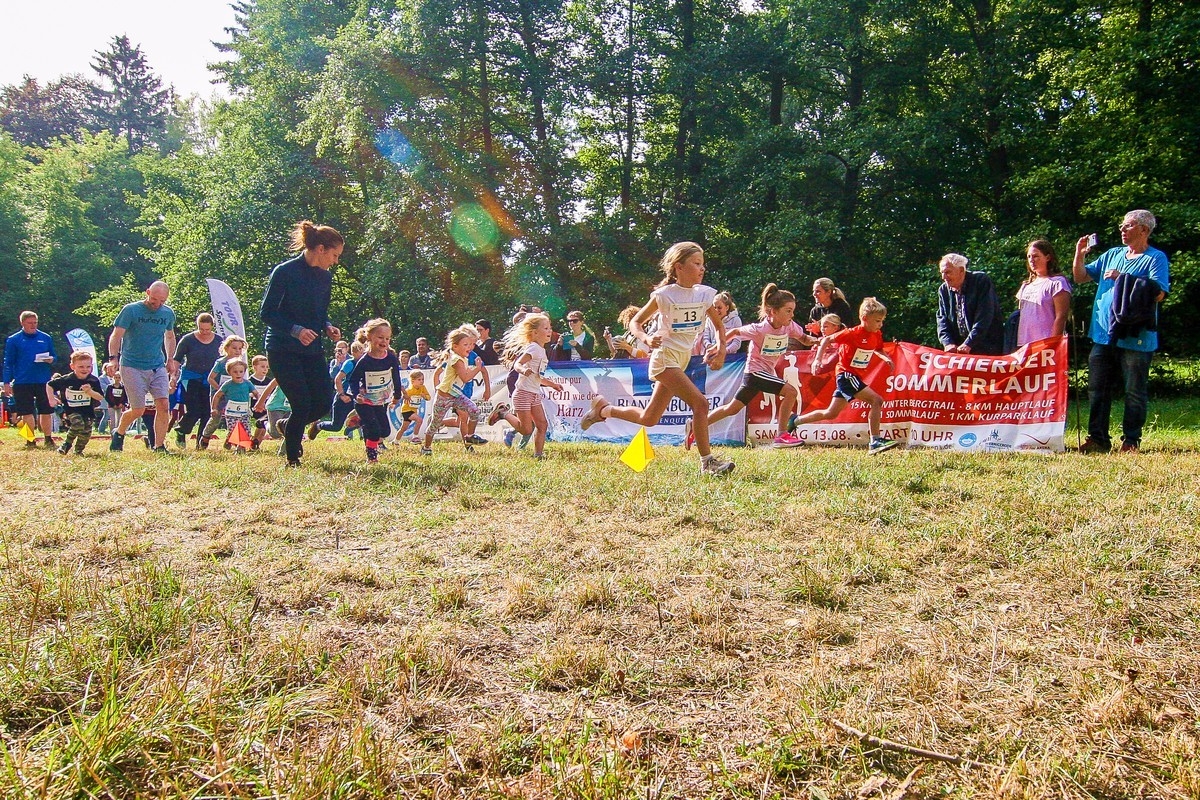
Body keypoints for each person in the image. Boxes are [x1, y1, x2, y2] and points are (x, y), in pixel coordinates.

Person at [579, 242, 735, 476]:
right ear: (679, 267)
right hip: (664, 359)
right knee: (700, 403)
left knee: (649, 418)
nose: (702, 269)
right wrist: (646, 338)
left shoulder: (705, 294)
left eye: (703, 264)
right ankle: (708, 462)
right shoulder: (664, 295)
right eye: (696, 264)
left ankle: (603, 410)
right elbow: (635, 322)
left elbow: (720, 326)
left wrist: (721, 350)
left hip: (680, 359)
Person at [1072, 209, 1170, 454]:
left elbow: (1159, 294)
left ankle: (1131, 441)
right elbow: (1081, 277)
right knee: (1097, 389)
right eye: (1122, 225)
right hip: (1103, 334)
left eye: (1128, 226)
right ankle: (1098, 439)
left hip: (1136, 336)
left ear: (1143, 230)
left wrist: (1122, 278)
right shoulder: (1112, 254)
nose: (1122, 230)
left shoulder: (1155, 258)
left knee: (1134, 391)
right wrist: (1079, 255)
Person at [259, 220, 343, 467]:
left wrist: (327, 326)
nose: (335, 261)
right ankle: (292, 457)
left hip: (311, 349)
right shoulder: (285, 272)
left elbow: (319, 312)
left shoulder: (325, 278)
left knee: (323, 402)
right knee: (302, 402)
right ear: (320, 249)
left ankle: (287, 426)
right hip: (282, 348)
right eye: (334, 255)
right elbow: (267, 313)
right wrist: (295, 330)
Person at [787, 297, 900, 454]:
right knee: (876, 400)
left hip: (854, 376)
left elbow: (878, 348)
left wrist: (885, 357)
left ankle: (795, 421)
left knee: (831, 413)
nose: (880, 325)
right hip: (846, 375)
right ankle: (875, 441)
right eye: (877, 321)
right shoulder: (852, 333)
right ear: (865, 319)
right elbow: (826, 339)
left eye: (882, 321)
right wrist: (817, 360)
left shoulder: (876, 334)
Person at [700, 283, 807, 449]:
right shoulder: (759, 329)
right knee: (791, 392)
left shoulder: (789, 326)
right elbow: (735, 332)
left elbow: (804, 339)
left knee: (732, 408)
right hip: (755, 373)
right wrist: (716, 348)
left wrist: (820, 340)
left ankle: (696, 425)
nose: (792, 315)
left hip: (762, 375)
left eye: (793, 310)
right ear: (773, 312)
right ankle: (781, 435)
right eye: (788, 310)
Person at [108, 281, 178, 453]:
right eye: (154, 299)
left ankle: (159, 446)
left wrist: (170, 359)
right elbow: (116, 335)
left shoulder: (168, 313)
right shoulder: (131, 310)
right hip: (132, 365)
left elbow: (169, 337)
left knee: (163, 404)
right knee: (138, 410)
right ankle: (119, 432)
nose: (157, 304)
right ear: (147, 292)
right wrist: (113, 358)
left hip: (157, 365)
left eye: (162, 301)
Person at [486, 313, 564, 460]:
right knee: (526, 429)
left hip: (534, 393)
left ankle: (538, 455)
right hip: (523, 393)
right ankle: (503, 414)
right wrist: (523, 370)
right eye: (546, 328)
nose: (549, 331)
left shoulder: (542, 351)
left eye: (550, 328)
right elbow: (518, 364)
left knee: (542, 425)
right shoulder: (533, 348)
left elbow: (537, 377)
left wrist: (552, 385)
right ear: (535, 333)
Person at [420, 325, 486, 455]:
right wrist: (477, 369)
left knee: (474, 411)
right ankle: (426, 447)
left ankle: (469, 436)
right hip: (444, 396)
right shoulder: (456, 360)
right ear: (455, 347)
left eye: (470, 344)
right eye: (465, 344)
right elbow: (466, 378)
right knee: (435, 423)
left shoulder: (464, 358)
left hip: (456, 395)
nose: (469, 347)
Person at [345, 319, 403, 463]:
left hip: (380, 400)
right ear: (370, 337)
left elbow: (396, 376)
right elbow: (352, 379)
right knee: (374, 431)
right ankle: (372, 457)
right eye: (380, 337)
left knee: (385, 431)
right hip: (364, 401)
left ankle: (360, 420)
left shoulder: (390, 357)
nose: (384, 341)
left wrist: (397, 395)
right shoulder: (365, 360)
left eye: (388, 338)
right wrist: (356, 394)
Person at [3, 310, 58, 448]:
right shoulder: (13, 339)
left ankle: (48, 438)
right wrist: (6, 382)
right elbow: (8, 362)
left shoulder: (46, 337)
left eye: (35, 323)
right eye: (30, 323)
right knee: (25, 412)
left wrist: (51, 360)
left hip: (43, 380)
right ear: (22, 323)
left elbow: (54, 357)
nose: (33, 326)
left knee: (46, 411)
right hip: (22, 381)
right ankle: (29, 440)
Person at [170, 312, 222, 449]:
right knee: (194, 410)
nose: (204, 332)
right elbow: (177, 359)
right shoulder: (188, 340)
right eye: (201, 329)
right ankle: (181, 429)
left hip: (209, 379)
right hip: (191, 377)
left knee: (207, 411)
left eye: (207, 329)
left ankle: (201, 443)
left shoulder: (219, 341)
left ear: (212, 326)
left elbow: (224, 359)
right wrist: (173, 377)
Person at [936, 253, 1004, 355]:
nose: (944, 277)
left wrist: (969, 343)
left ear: (961, 270)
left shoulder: (980, 281)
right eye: (942, 272)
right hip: (960, 350)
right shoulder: (943, 290)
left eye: (948, 272)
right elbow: (942, 319)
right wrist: (948, 343)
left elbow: (985, 316)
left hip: (987, 347)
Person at [46, 351, 105, 455]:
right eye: (81, 367)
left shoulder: (93, 380)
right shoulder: (67, 379)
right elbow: (49, 385)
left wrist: (89, 391)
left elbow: (100, 397)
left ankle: (78, 450)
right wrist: (51, 398)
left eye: (88, 367)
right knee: (78, 424)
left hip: (87, 411)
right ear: (72, 366)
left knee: (86, 432)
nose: (85, 369)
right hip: (71, 409)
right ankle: (66, 444)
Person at [1016, 239, 1072, 347]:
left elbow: (1061, 316)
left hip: (1046, 344)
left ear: (1048, 257)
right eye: (1029, 257)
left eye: (1035, 256)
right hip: (1025, 345)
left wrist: (1052, 345)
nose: (1032, 260)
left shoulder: (1058, 282)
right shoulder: (1025, 286)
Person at [199, 357, 259, 450]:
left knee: (246, 431)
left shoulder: (248, 383)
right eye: (235, 372)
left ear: (244, 372)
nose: (238, 374)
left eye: (241, 371)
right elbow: (217, 395)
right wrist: (214, 408)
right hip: (231, 413)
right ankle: (232, 440)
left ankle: (240, 448)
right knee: (234, 430)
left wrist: (259, 403)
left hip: (245, 412)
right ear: (229, 372)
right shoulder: (227, 384)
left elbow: (256, 393)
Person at [310, 338, 359, 440]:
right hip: (343, 394)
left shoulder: (363, 362)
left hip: (355, 396)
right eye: (338, 348)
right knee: (336, 426)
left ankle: (356, 433)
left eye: (342, 348)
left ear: (347, 348)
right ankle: (318, 425)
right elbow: (335, 377)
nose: (340, 350)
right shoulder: (347, 362)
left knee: (366, 416)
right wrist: (342, 395)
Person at [248, 354, 273, 449]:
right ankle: (253, 442)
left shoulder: (269, 382)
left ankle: (256, 443)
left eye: (267, 367)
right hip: (253, 407)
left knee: (264, 425)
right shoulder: (249, 381)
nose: (265, 369)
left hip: (265, 407)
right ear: (254, 367)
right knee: (261, 423)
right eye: (262, 367)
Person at [398, 369, 430, 441]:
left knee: (404, 428)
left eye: (422, 379)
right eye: (419, 380)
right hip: (406, 410)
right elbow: (404, 395)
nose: (421, 381)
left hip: (414, 410)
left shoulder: (422, 388)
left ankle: (395, 441)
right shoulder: (410, 390)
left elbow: (429, 397)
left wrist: (424, 396)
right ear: (412, 381)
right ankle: (415, 437)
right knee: (419, 420)